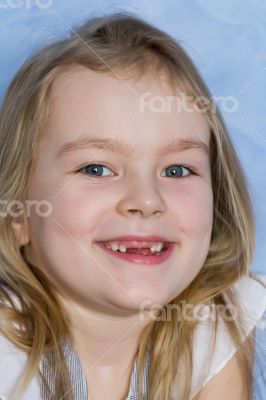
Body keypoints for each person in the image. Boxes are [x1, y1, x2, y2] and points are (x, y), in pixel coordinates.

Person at [0, 12, 265, 400]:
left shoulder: (215, 327)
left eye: (177, 169)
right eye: (96, 168)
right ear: (18, 214)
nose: (146, 201)